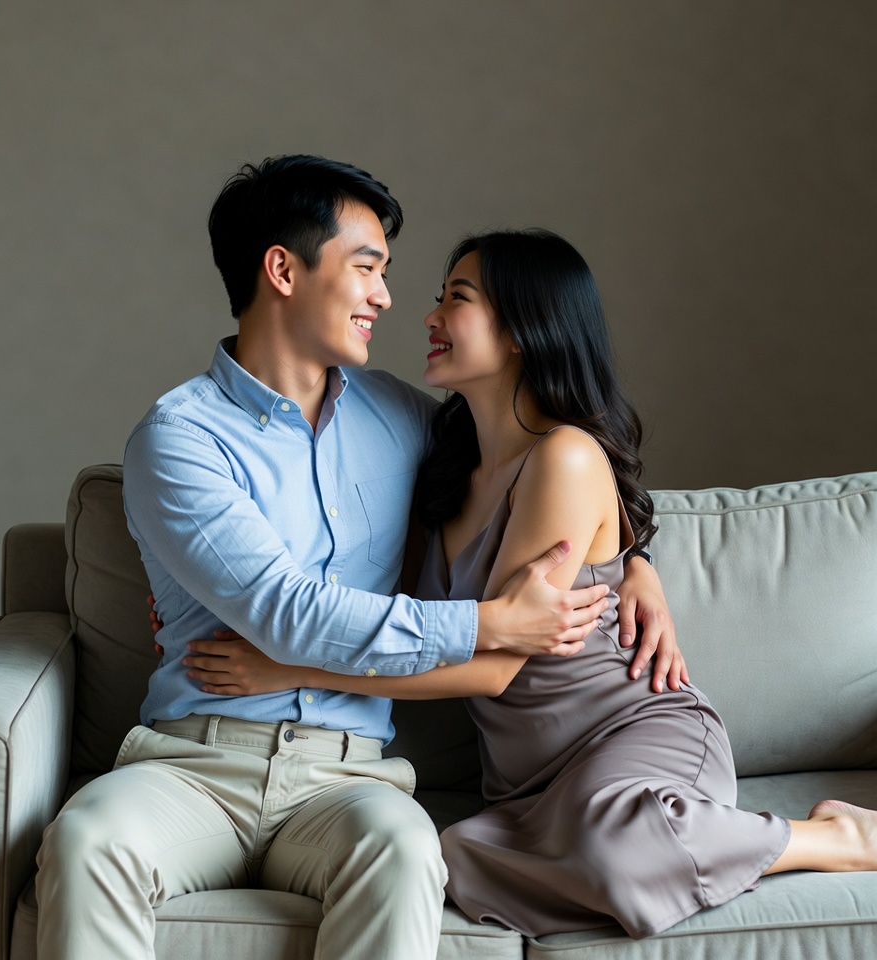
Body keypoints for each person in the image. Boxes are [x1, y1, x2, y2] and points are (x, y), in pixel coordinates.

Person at [34, 158, 682, 960]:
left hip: (350, 780)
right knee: (87, 838)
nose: (386, 297)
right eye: (367, 268)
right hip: (193, 765)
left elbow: (547, 453)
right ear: (282, 270)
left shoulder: (407, 420)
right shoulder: (178, 438)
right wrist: (489, 623)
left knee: (409, 853)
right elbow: (284, 612)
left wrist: (634, 563)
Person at [187, 228, 877, 941]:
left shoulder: (565, 458)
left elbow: (492, 667)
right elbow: (344, 564)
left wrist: (286, 666)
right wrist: (202, 589)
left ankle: (833, 840)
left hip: (631, 740)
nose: (427, 316)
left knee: (618, 849)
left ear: (523, 328)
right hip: (529, 785)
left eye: (456, 299)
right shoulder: (443, 463)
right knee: (444, 855)